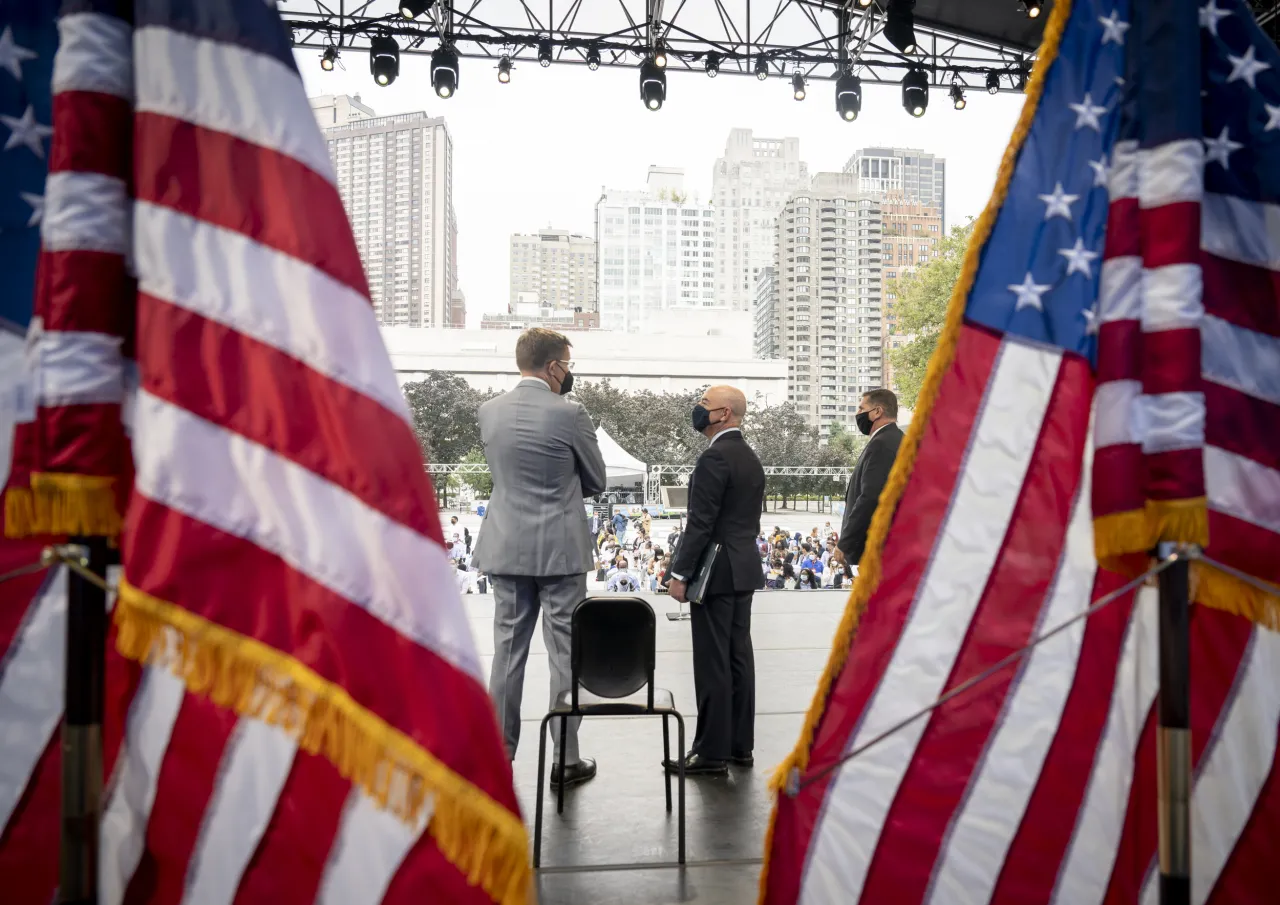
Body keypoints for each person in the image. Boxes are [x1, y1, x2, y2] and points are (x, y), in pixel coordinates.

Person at [471, 328, 607, 789]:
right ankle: (566, 759)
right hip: (561, 551)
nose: (569, 373)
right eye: (568, 365)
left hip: (506, 546)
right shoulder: (571, 413)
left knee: (507, 654)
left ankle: (496, 757)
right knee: (567, 657)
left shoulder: (488, 412)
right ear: (554, 367)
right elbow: (596, 479)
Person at [666, 385, 766, 775]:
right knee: (738, 657)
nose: (698, 408)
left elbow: (701, 524)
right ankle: (740, 746)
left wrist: (679, 573)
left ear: (724, 413)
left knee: (713, 663)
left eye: (705, 404)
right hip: (742, 568)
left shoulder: (714, 459)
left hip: (715, 573)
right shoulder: (750, 458)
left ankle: (710, 753)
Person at [834, 388, 904, 572]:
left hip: (875, 549)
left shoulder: (882, 444)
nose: (857, 414)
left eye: (861, 408)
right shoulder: (894, 439)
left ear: (877, 412)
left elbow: (870, 497)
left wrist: (846, 542)